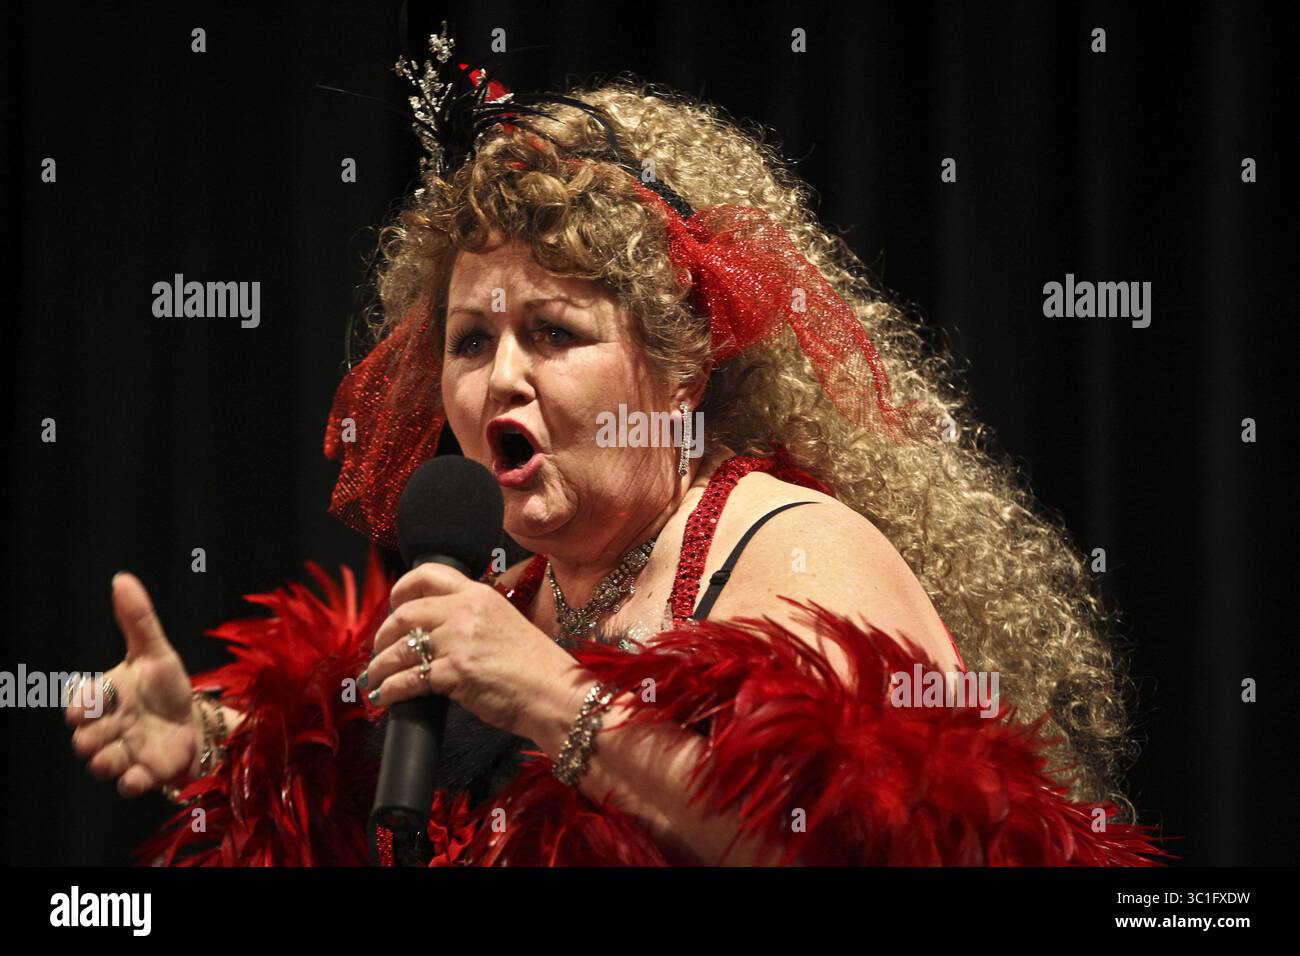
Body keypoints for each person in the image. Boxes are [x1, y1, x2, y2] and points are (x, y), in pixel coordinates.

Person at [65, 27, 1170, 866]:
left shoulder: (790, 549)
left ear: (682, 368)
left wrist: (558, 701)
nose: (500, 377)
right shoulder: (517, 599)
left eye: (553, 333)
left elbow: (881, 846)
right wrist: (213, 740)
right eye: (469, 340)